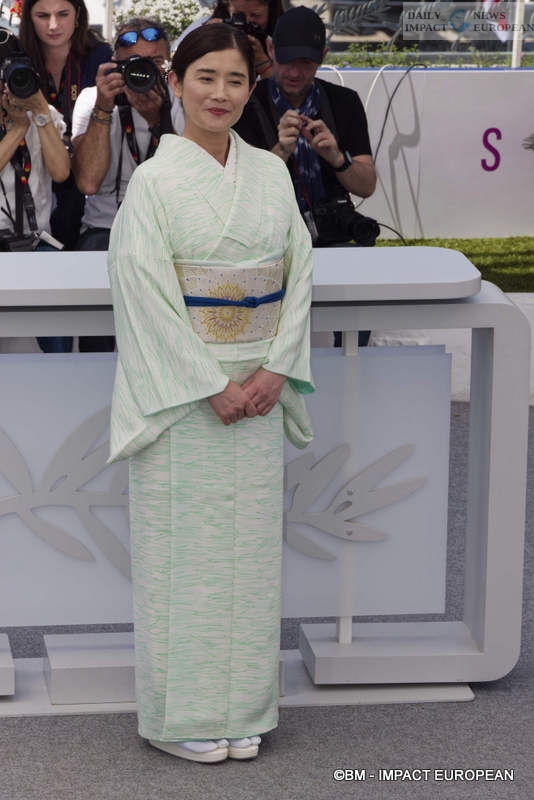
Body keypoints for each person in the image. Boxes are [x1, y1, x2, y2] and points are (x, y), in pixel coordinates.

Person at [107, 23, 313, 764]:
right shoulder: (156, 181)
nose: (220, 93)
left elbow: (298, 272)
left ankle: (243, 706)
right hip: (188, 399)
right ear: (176, 82)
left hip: (257, 389)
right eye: (205, 77)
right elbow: (142, 291)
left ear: (252, 89)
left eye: (235, 80)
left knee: (249, 559)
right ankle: (178, 716)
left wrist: (276, 369)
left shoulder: (270, 174)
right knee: (183, 557)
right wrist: (208, 383)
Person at [233, 5, 377, 345]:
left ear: (323, 57)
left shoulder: (343, 102)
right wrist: (279, 152)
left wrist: (336, 158)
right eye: (287, 61)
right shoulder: (245, 105)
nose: (295, 72)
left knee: (362, 310)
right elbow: (236, 193)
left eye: (307, 63)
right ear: (270, 50)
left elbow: (367, 185)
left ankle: (351, 367)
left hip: (331, 231)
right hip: (266, 235)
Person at [71, 16, 184, 352]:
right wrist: (104, 108)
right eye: (133, 63)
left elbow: (187, 179)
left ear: (168, 65)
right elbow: (88, 182)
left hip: (169, 228)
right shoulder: (93, 99)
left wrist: (158, 120)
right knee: (96, 279)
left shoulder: (182, 99)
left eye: (153, 63)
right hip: (106, 228)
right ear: (115, 65)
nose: (143, 73)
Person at [19, 0, 113, 251]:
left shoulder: (100, 56)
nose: (53, 25)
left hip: (87, 171)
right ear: (29, 19)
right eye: (42, 16)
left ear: (78, 14)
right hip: (35, 173)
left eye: (62, 14)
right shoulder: (18, 59)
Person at [0, 32, 70, 250]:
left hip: (34, 240)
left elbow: (61, 173)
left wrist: (40, 110)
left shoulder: (42, 113)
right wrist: (18, 129)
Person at [176, 0, 283, 80]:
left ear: (271, 11)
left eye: (255, 15)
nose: (247, 22)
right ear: (227, 8)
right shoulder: (205, 26)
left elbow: (285, 95)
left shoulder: (284, 36)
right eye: (239, 16)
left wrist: (263, 64)